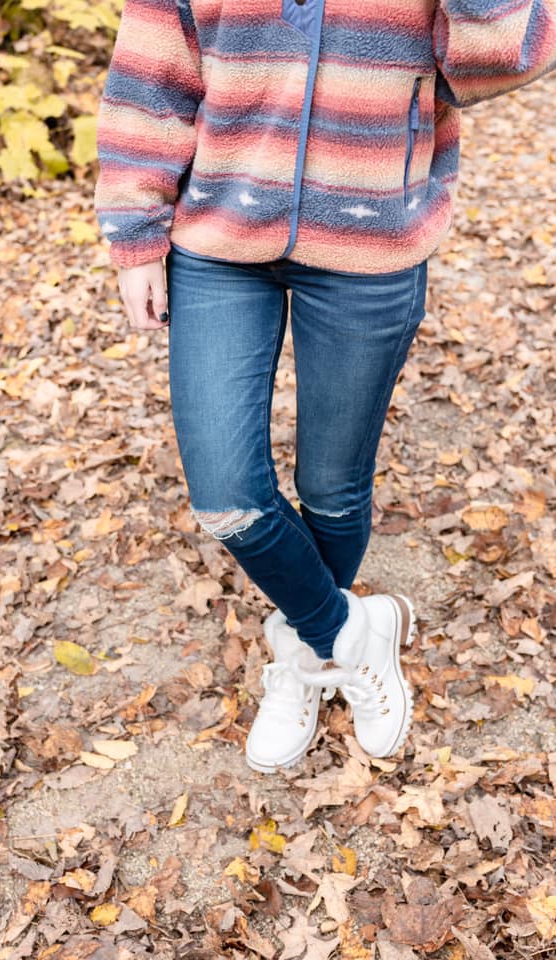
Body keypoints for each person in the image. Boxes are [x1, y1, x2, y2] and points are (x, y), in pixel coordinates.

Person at [94, 0, 556, 773]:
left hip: (373, 236)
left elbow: (508, 54)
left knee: (333, 488)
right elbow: (152, 75)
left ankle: (306, 656)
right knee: (225, 497)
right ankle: (345, 636)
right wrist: (134, 231)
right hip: (218, 238)